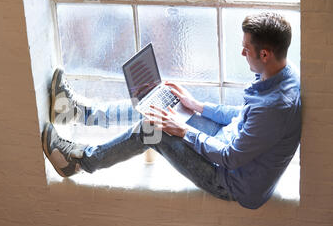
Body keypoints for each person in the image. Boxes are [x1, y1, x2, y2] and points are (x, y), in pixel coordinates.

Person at [42, 12, 301, 210]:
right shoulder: (280, 74)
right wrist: (196, 105)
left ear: (265, 54)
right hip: (225, 138)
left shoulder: (276, 106)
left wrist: (183, 129)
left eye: (247, 48)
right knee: (161, 104)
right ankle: (77, 113)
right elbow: (242, 115)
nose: (241, 52)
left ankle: (78, 162)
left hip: (228, 179)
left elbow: (229, 157)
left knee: (152, 129)